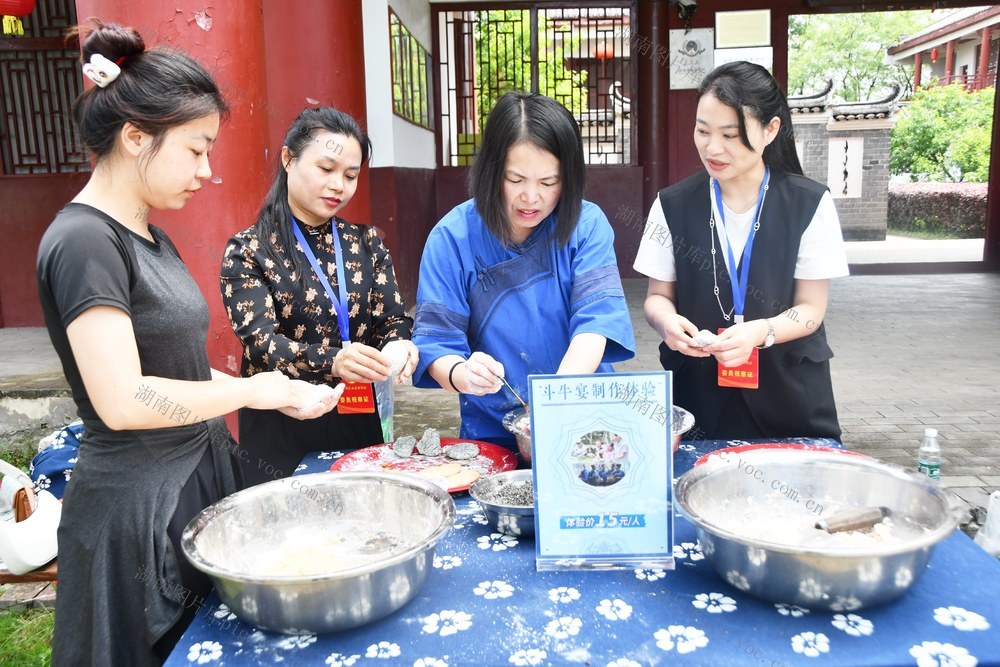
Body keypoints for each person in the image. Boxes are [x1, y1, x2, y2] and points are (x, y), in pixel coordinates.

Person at [35, 20, 339, 665]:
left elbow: (181, 368)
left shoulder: (149, 233)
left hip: (196, 475)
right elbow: (123, 401)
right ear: (135, 136)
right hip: (136, 504)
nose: (207, 170)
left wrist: (274, 392)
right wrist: (251, 387)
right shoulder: (85, 242)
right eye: (196, 149)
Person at [634, 61, 848, 441]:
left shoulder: (810, 203)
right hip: (698, 400)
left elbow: (812, 310)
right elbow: (657, 297)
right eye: (703, 131)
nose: (712, 148)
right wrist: (666, 323)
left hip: (790, 401)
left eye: (730, 135)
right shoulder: (671, 205)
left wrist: (760, 332)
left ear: (771, 129)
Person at [411, 92, 635, 451]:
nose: (532, 197)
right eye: (516, 179)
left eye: (549, 183)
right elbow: (436, 343)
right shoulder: (451, 238)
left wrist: (553, 405)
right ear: (490, 171)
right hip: (493, 428)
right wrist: (462, 373)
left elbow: (596, 323)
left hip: (583, 413)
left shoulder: (586, 224)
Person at [221, 107, 418, 487]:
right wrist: (335, 360)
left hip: (357, 413)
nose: (338, 186)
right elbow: (262, 344)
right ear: (288, 158)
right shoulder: (249, 250)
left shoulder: (366, 242)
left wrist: (399, 345)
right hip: (283, 418)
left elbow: (392, 318)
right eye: (326, 169)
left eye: (350, 175)